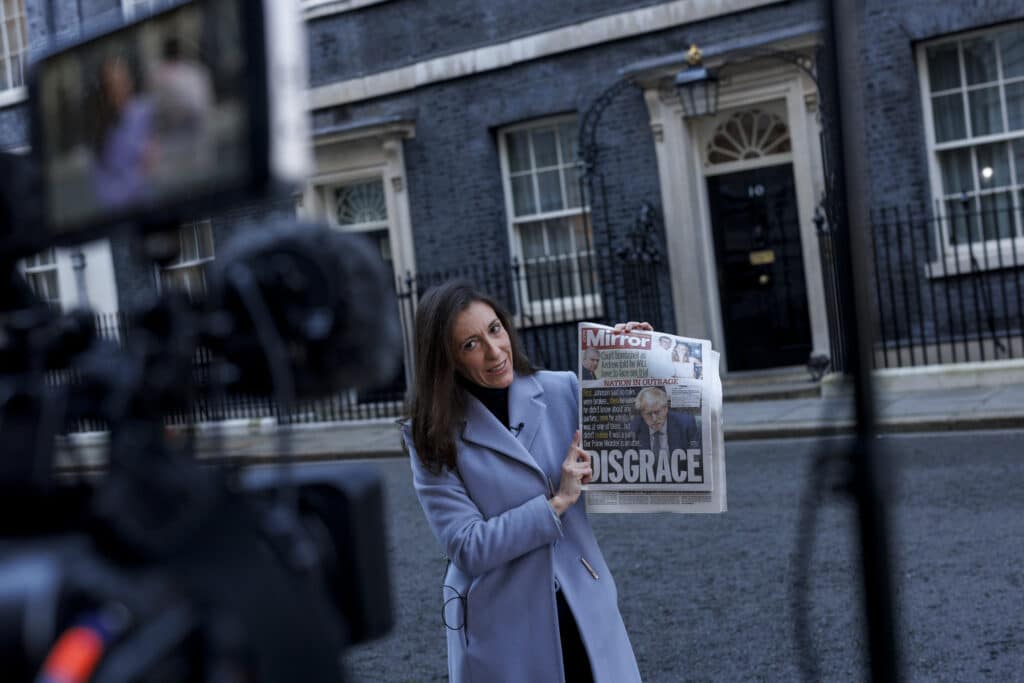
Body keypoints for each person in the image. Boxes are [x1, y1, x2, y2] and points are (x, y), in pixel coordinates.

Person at [404, 281, 643, 683]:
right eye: (471, 344)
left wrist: (631, 367)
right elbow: (468, 547)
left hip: (585, 604)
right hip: (502, 627)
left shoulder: (562, 388)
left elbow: (629, 466)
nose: (495, 352)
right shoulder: (428, 434)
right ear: (446, 360)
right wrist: (557, 503)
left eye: (495, 329)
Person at [90, 55, 157, 208]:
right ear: (105, 93)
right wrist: (140, 173)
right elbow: (105, 194)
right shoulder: (102, 136)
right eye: (112, 87)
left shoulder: (147, 111)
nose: (120, 91)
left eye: (123, 82)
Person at [628, 386, 699, 454]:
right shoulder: (633, 428)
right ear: (642, 414)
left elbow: (697, 458)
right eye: (649, 414)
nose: (654, 419)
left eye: (657, 412)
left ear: (665, 408)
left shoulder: (686, 424)